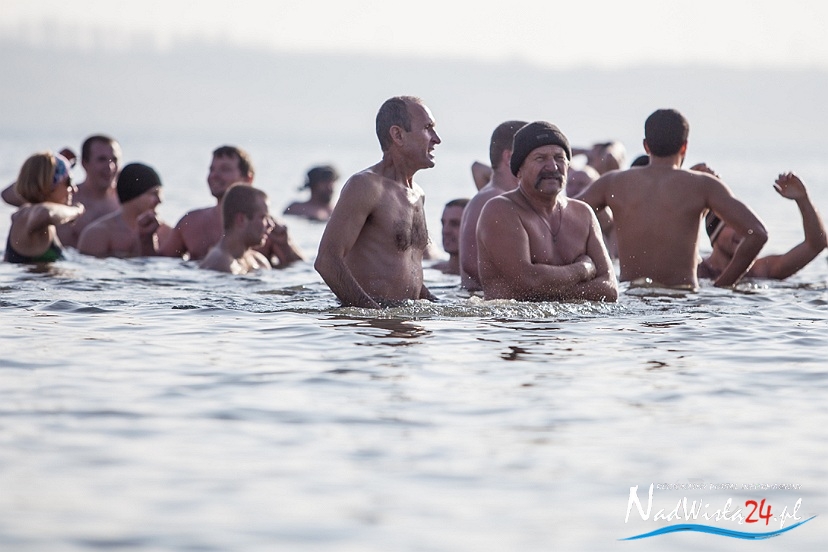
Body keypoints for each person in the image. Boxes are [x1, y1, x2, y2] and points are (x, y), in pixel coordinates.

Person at [577, 108, 768, 289]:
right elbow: (757, 233)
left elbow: (566, 213)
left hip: (632, 295)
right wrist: (723, 285)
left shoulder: (613, 183)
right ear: (684, 147)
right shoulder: (703, 185)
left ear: (646, 146)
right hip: (683, 299)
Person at [315, 96, 441, 308]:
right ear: (398, 135)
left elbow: (406, 268)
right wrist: (375, 313)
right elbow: (327, 261)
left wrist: (437, 305)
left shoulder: (418, 194)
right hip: (372, 324)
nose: (437, 139)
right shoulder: (365, 186)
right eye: (428, 128)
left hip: (404, 319)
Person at [476, 121, 618, 302]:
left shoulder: (583, 213)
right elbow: (528, 282)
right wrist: (582, 269)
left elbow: (609, 289)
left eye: (559, 158)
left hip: (574, 321)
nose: (552, 167)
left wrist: (549, 291)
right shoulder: (501, 210)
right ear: (519, 170)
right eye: (540, 158)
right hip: (514, 320)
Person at [159, 145, 303, 266]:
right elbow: (160, 263)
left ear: (248, 179)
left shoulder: (267, 227)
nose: (214, 176)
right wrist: (147, 238)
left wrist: (285, 245)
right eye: (212, 169)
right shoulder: (190, 222)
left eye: (225, 169)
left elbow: (298, 269)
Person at [699, 171, 826, 280]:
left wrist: (803, 200)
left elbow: (816, 245)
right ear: (713, 232)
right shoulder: (697, 270)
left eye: (746, 226)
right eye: (731, 225)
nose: (742, 231)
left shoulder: (761, 270)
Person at [459, 120, 527, 291]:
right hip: (481, 301)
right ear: (510, 157)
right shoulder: (491, 198)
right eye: (534, 155)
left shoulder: (498, 196)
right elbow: (471, 263)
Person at [4, 152, 84, 263]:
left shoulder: (35, 217)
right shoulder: (27, 214)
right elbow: (46, 213)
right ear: (48, 185)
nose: (74, 189)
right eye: (69, 181)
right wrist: (76, 211)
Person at [77, 163, 167, 258]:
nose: (160, 200)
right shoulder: (97, 234)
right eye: (154, 193)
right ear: (134, 196)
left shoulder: (167, 234)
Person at [200, 184, 275, 274]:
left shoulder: (258, 261)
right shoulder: (220, 264)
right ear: (241, 220)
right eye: (263, 217)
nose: (271, 225)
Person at [431, 198, 469, 275]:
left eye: (455, 224)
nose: (445, 231)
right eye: (443, 223)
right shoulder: (432, 270)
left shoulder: (486, 276)